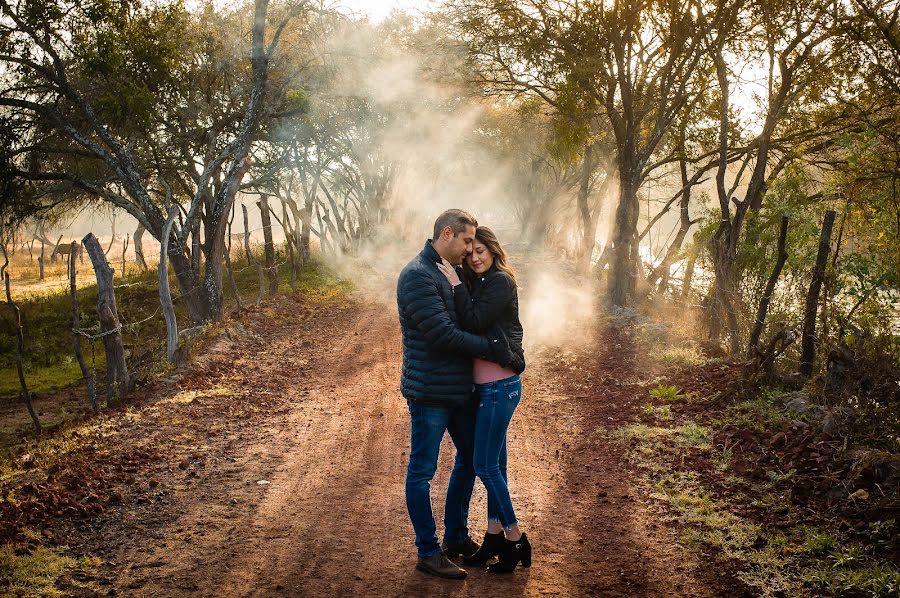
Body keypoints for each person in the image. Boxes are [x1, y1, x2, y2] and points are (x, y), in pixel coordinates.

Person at [396, 209, 516, 580]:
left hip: (460, 390)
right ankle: (428, 551)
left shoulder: (452, 272)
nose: (470, 250)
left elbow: (475, 310)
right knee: (422, 470)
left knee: (470, 460)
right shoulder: (417, 277)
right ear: (447, 234)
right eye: (466, 241)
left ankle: (457, 538)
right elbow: (444, 334)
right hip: (430, 392)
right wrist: (493, 348)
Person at [436, 226, 530, 573]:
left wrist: (457, 284)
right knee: (497, 466)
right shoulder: (480, 281)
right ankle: (493, 534)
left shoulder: (501, 282)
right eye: (470, 251)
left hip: (499, 388)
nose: (475, 257)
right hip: (486, 389)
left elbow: (474, 320)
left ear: (493, 250)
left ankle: (515, 539)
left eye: (481, 251)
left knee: (486, 466)